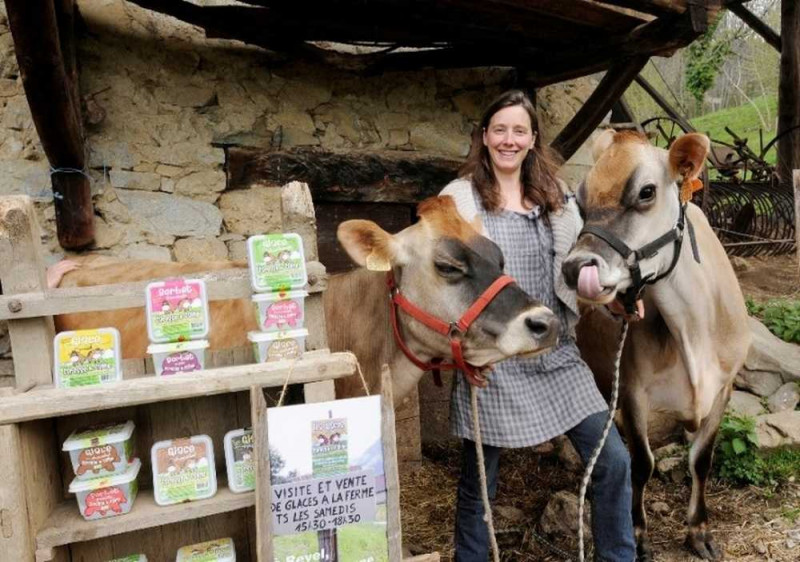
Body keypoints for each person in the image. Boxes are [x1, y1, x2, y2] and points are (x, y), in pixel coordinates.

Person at [440, 90, 636, 562]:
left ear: (532, 139)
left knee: (614, 461)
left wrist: (615, 303)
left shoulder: (559, 201)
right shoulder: (458, 199)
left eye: (519, 131)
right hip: (493, 362)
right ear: (485, 137)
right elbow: (444, 284)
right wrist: (461, 353)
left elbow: (579, 276)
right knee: (479, 488)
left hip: (556, 356)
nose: (510, 139)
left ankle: (619, 557)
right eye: (500, 129)